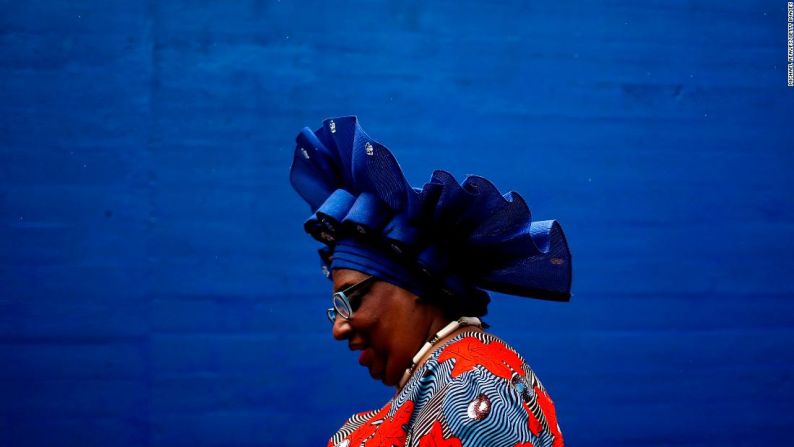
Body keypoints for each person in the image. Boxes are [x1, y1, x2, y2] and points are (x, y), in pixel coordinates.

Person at [290, 116, 572, 447]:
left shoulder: (473, 383)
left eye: (349, 301)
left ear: (416, 284)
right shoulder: (445, 379)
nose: (339, 327)